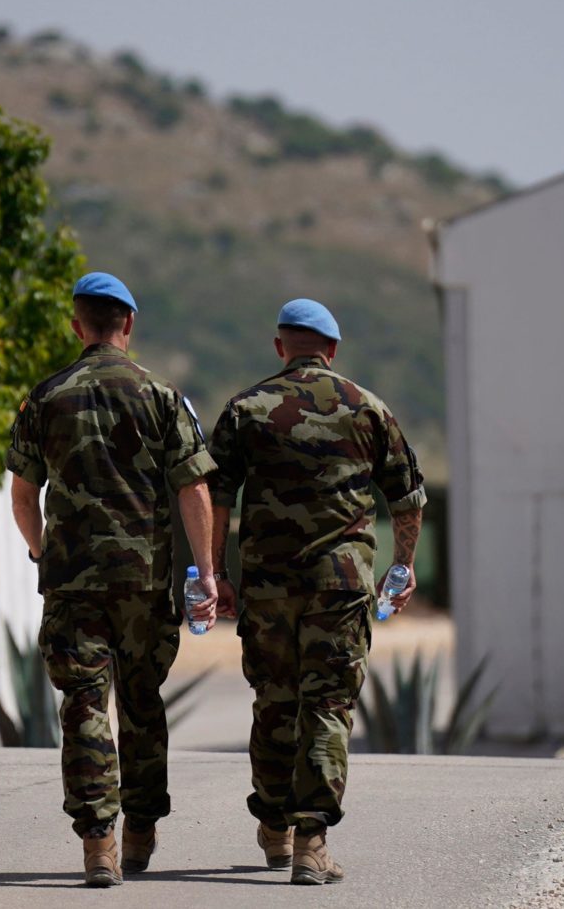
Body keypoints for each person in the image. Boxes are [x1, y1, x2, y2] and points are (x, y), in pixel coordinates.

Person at [193, 297, 425, 886]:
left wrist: (216, 573)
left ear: (280, 347)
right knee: (326, 705)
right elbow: (406, 500)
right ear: (333, 350)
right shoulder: (367, 408)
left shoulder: (246, 409)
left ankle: (274, 823)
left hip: (267, 587)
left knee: (274, 700)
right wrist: (403, 567)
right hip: (339, 589)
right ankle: (311, 842)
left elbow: (216, 495)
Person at [6, 271, 219, 888]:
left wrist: (45, 554)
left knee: (83, 707)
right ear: (128, 323)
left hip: (72, 585)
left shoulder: (44, 398)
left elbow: (23, 498)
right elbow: (194, 488)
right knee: (142, 705)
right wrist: (205, 573)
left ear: (78, 326)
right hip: (144, 584)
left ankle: (97, 842)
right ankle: (141, 833)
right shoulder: (162, 397)